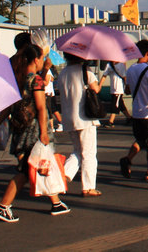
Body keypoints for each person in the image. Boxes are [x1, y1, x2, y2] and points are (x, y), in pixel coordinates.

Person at [0, 44, 69, 223]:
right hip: (34, 133)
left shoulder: (17, 79)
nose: (42, 62)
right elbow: (42, 108)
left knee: (42, 165)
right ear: (35, 60)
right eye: (41, 59)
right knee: (26, 171)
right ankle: (3, 206)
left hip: (20, 131)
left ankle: (56, 202)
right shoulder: (37, 81)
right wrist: (43, 132)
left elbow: (8, 107)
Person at [56, 53, 102, 196]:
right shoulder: (85, 71)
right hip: (85, 118)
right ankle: (88, 187)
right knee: (88, 153)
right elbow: (96, 89)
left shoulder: (62, 74)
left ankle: (64, 175)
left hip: (69, 118)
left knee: (77, 150)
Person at [119, 41, 148, 181]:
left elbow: (127, 90)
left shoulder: (131, 69)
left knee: (140, 139)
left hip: (136, 112)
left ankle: (128, 158)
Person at [104, 61, 132, 127]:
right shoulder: (109, 64)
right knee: (120, 104)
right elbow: (104, 75)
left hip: (118, 89)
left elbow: (125, 77)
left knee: (115, 104)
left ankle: (111, 121)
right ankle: (129, 118)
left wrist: (126, 87)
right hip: (113, 89)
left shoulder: (121, 64)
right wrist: (99, 85)